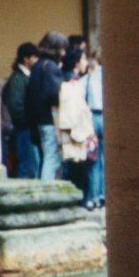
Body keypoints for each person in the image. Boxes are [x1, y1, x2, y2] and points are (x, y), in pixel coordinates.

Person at [26, 31, 69, 180]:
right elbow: (52, 94)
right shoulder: (50, 66)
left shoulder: (37, 65)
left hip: (39, 119)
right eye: (62, 48)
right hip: (49, 119)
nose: (63, 52)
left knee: (46, 158)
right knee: (52, 159)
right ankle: (48, 193)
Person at [57, 47, 97, 201]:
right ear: (76, 63)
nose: (85, 62)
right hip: (76, 132)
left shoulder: (73, 80)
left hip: (79, 130)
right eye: (83, 59)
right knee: (77, 171)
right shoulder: (69, 83)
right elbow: (72, 111)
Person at [2, 42, 41, 179]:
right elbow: (15, 106)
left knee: (30, 164)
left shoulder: (22, 77)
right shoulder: (18, 79)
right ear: (26, 59)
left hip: (26, 127)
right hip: (24, 129)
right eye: (34, 57)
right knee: (28, 165)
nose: (37, 61)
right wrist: (27, 121)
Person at [83, 48, 105, 208]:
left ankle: (93, 196)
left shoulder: (89, 77)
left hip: (91, 117)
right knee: (107, 159)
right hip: (107, 117)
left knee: (93, 159)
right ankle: (105, 193)